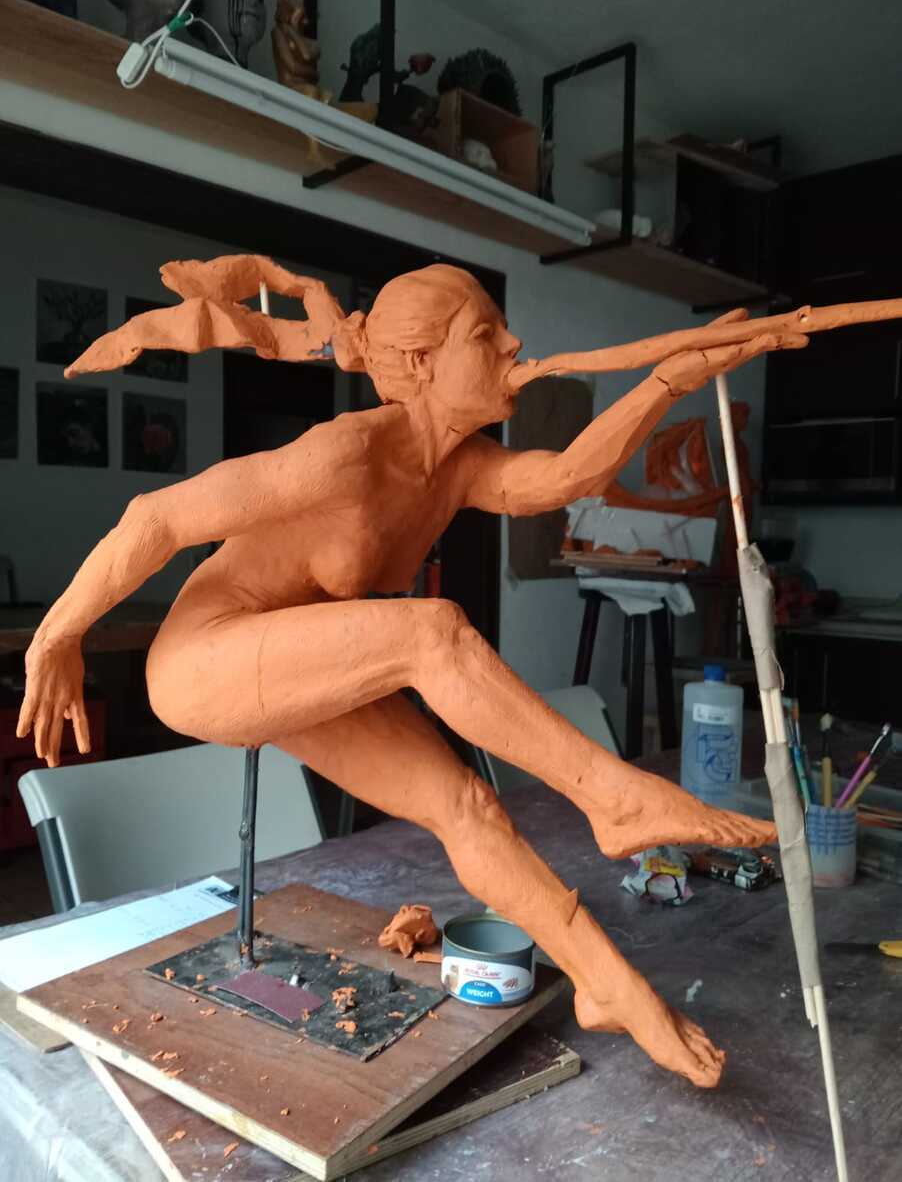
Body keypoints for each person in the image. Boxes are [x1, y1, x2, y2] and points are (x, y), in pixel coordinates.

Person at [17, 255, 806, 1087]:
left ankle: (606, 983)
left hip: (293, 661)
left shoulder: (457, 468)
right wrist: (56, 637)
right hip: (202, 658)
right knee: (431, 632)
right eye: (486, 335)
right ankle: (612, 796)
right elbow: (156, 517)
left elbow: (568, 476)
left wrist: (673, 378)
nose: (514, 344)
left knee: (465, 803)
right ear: (423, 362)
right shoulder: (345, 454)